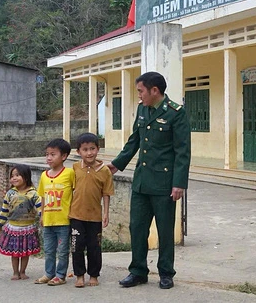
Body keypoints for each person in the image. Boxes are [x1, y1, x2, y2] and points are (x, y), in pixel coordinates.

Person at [107, 71, 191, 290]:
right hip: (142, 181)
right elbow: (134, 139)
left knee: (165, 230)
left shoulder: (176, 113)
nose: (139, 95)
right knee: (137, 228)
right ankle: (138, 271)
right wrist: (117, 164)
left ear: (154, 90)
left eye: (140, 91)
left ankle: (166, 273)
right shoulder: (143, 109)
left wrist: (179, 183)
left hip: (164, 183)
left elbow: (182, 151)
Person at [69, 133, 114, 288]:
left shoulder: (104, 171)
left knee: (94, 247)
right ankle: (79, 275)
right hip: (76, 215)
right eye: (85, 149)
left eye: (92, 149)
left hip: (95, 217)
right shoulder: (75, 168)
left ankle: (94, 275)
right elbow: (69, 190)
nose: (89, 153)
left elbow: (106, 193)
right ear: (78, 152)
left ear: (98, 149)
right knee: (77, 246)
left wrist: (106, 213)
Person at [35, 138, 75, 286]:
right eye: (47, 154)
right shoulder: (44, 175)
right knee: (49, 250)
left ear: (63, 156)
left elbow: (75, 193)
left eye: (53, 154)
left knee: (62, 251)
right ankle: (48, 273)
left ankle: (60, 275)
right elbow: (42, 196)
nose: (49, 158)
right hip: (48, 220)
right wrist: (42, 215)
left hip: (63, 220)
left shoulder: (69, 173)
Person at [0, 164, 42, 280]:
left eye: (17, 175)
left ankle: (23, 271)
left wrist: (43, 218)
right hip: (13, 228)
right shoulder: (10, 193)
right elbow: (4, 210)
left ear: (26, 177)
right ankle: (15, 272)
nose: (14, 178)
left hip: (28, 228)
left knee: (25, 252)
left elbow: (40, 208)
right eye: (12, 176)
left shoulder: (33, 193)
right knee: (14, 252)